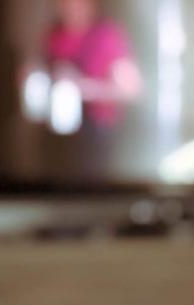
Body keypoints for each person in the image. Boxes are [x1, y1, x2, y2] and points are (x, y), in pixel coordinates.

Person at [27, 0, 142, 179]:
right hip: (55, 132)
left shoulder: (107, 35)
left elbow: (131, 89)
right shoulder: (53, 34)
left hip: (96, 133)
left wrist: (83, 87)